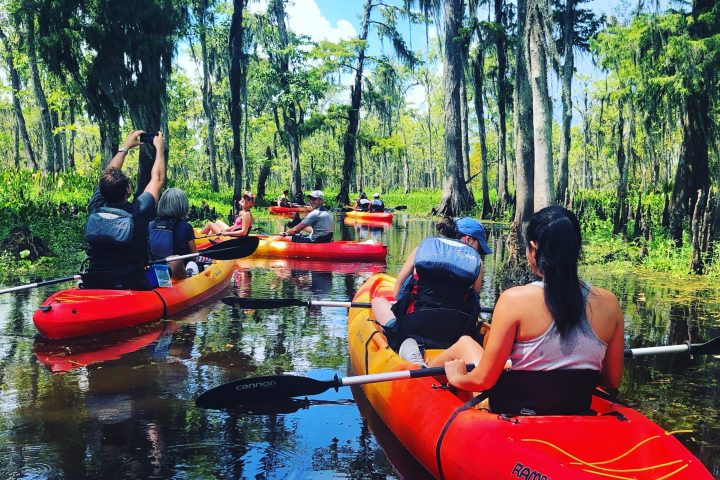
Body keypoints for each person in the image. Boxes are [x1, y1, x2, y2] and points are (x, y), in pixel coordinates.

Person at [425, 206, 625, 415]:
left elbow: (484, 380)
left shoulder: (514, 300)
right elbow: (611, 380)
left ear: (533, 247)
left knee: (466, 343)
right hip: (575, 409)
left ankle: (424, 371)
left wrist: (457, 376)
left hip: (512, 412)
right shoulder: (609, 303)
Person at [371, 217, 492, 350]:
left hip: (415, 327)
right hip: (455, 332)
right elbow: (473, 301)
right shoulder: (477, 263)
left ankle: (404, 342)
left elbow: (398, 292)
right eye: (479, 247)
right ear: (467, 239)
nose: (479, 252)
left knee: (377, 301)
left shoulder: (421, 249)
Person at [83, 130, 165, 290]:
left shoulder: (96, 207)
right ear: (128, 190)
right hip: (130, 283)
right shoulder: (139, 210)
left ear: (103, 189)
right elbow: (158, 179)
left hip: (95, 281)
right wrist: (160, 149)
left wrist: (125, 147)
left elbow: (107, 175)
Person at [148, 188, 197, 280]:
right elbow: (194, 256)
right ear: (183, 206)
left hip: (157, 269)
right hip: (181, 271)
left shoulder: (151, 225)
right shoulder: (186, 227)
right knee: (193, 263)